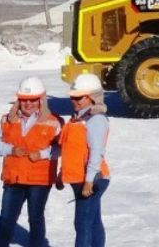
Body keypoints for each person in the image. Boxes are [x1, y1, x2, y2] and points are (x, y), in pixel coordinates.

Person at [0, 76, 61, 247]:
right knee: (7, 218)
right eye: (24, 100)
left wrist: (42, 154)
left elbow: (61, 148)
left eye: (32, 100)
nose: (28, 104)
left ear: (41, 100)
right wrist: (11, 150)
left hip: (39, 180)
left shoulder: (54, 121)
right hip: (14, 178)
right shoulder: (8, 119)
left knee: (35, 218)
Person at [60, 73, 111, 247]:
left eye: (79, 97)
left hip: (92, 179)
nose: (74, 100)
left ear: (91, 98)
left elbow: (97, 152)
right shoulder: (79, 118)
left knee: (82, 224)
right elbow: (71, 150)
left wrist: (89, 181)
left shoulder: (96, 119)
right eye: (72, 97)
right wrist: (61, 174)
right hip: (80, 178)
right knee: (92, 222)